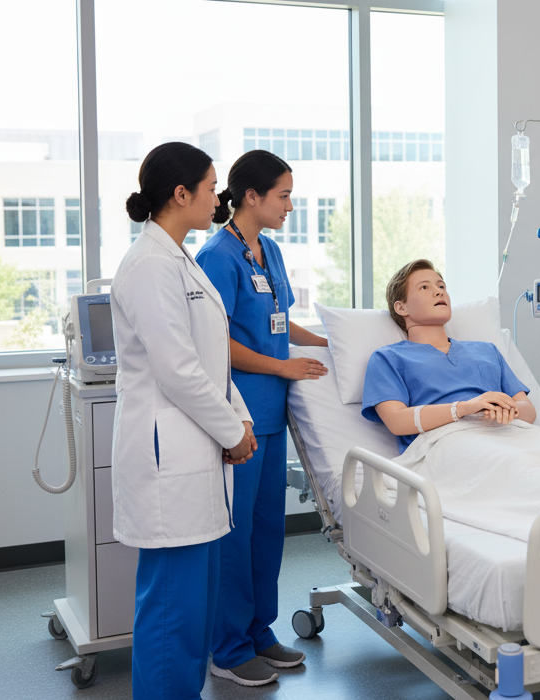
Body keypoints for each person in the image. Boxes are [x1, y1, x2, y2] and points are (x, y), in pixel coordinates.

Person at [110, 142, 258, 700]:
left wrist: (237, 424)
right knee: (173, 611)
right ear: (180, 194)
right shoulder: (149, 265)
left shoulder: (178, 258)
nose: (218, 197)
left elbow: (209, 362)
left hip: (194, 456)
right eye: (211, 186)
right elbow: (176, 370)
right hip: (169, 460)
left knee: (192, 610)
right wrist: (232, 431)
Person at [194, 150, 331, 687]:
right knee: (235, 534)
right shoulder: (217, 258)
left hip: (274, 414)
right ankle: (227, 649)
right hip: (240, 414)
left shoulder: (267, 251)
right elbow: (216, 341)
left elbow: (281, 320)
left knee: (267, 531)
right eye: (284, 195)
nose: (290, 206)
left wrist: (331, 340)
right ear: (251, 196)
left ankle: (259, 632)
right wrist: (283, 365)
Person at [362, 259, 536, 444]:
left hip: (513, 435)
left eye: (441, 286)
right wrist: (466, 408)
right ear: (401, 307)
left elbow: (529, 410)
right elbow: (397, 421)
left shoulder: (487, 350)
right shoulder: (388, 359)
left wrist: (506, 409)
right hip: (448, 442)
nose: (439, 291)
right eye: (424, 288)